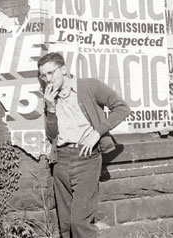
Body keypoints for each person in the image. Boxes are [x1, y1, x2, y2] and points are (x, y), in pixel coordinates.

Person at [37, 52, 130, 238]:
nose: (48, 79)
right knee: (65, 225)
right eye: (43, 76)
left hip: (86, 159)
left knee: (79, 222)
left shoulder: (89, 86)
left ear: (63, 69)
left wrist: (97, 132)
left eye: (51, 73)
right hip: (60, 161)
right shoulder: (50, 98)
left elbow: (122, 108)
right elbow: (52, 135)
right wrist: (50, 108)